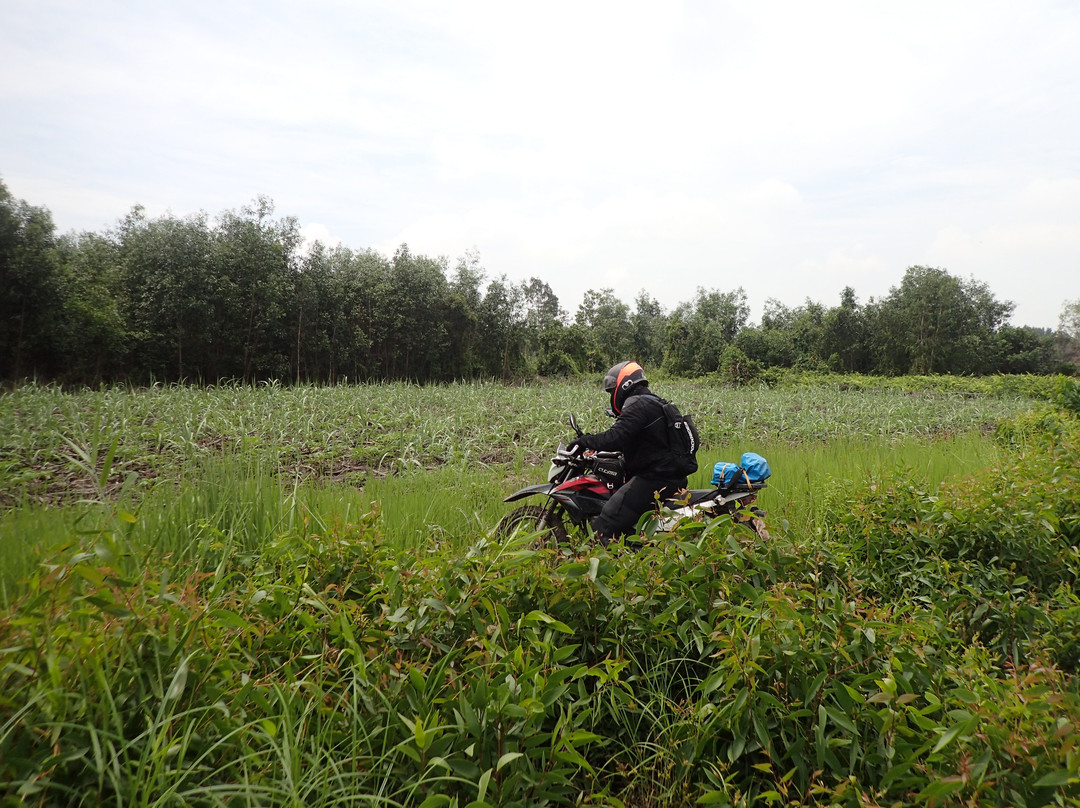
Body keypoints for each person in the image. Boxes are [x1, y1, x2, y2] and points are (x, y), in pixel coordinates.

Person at [567, 361, 689, 544]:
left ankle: (611, 568)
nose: (611, 395)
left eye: (611, 390)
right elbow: (639, 441)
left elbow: (617, 436)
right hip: (670, 477)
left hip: (653, 480)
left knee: (603, 527)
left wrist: (585, 441)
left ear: (625, 384)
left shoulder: (638, 404)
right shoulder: (653, 402)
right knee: (622, 519)